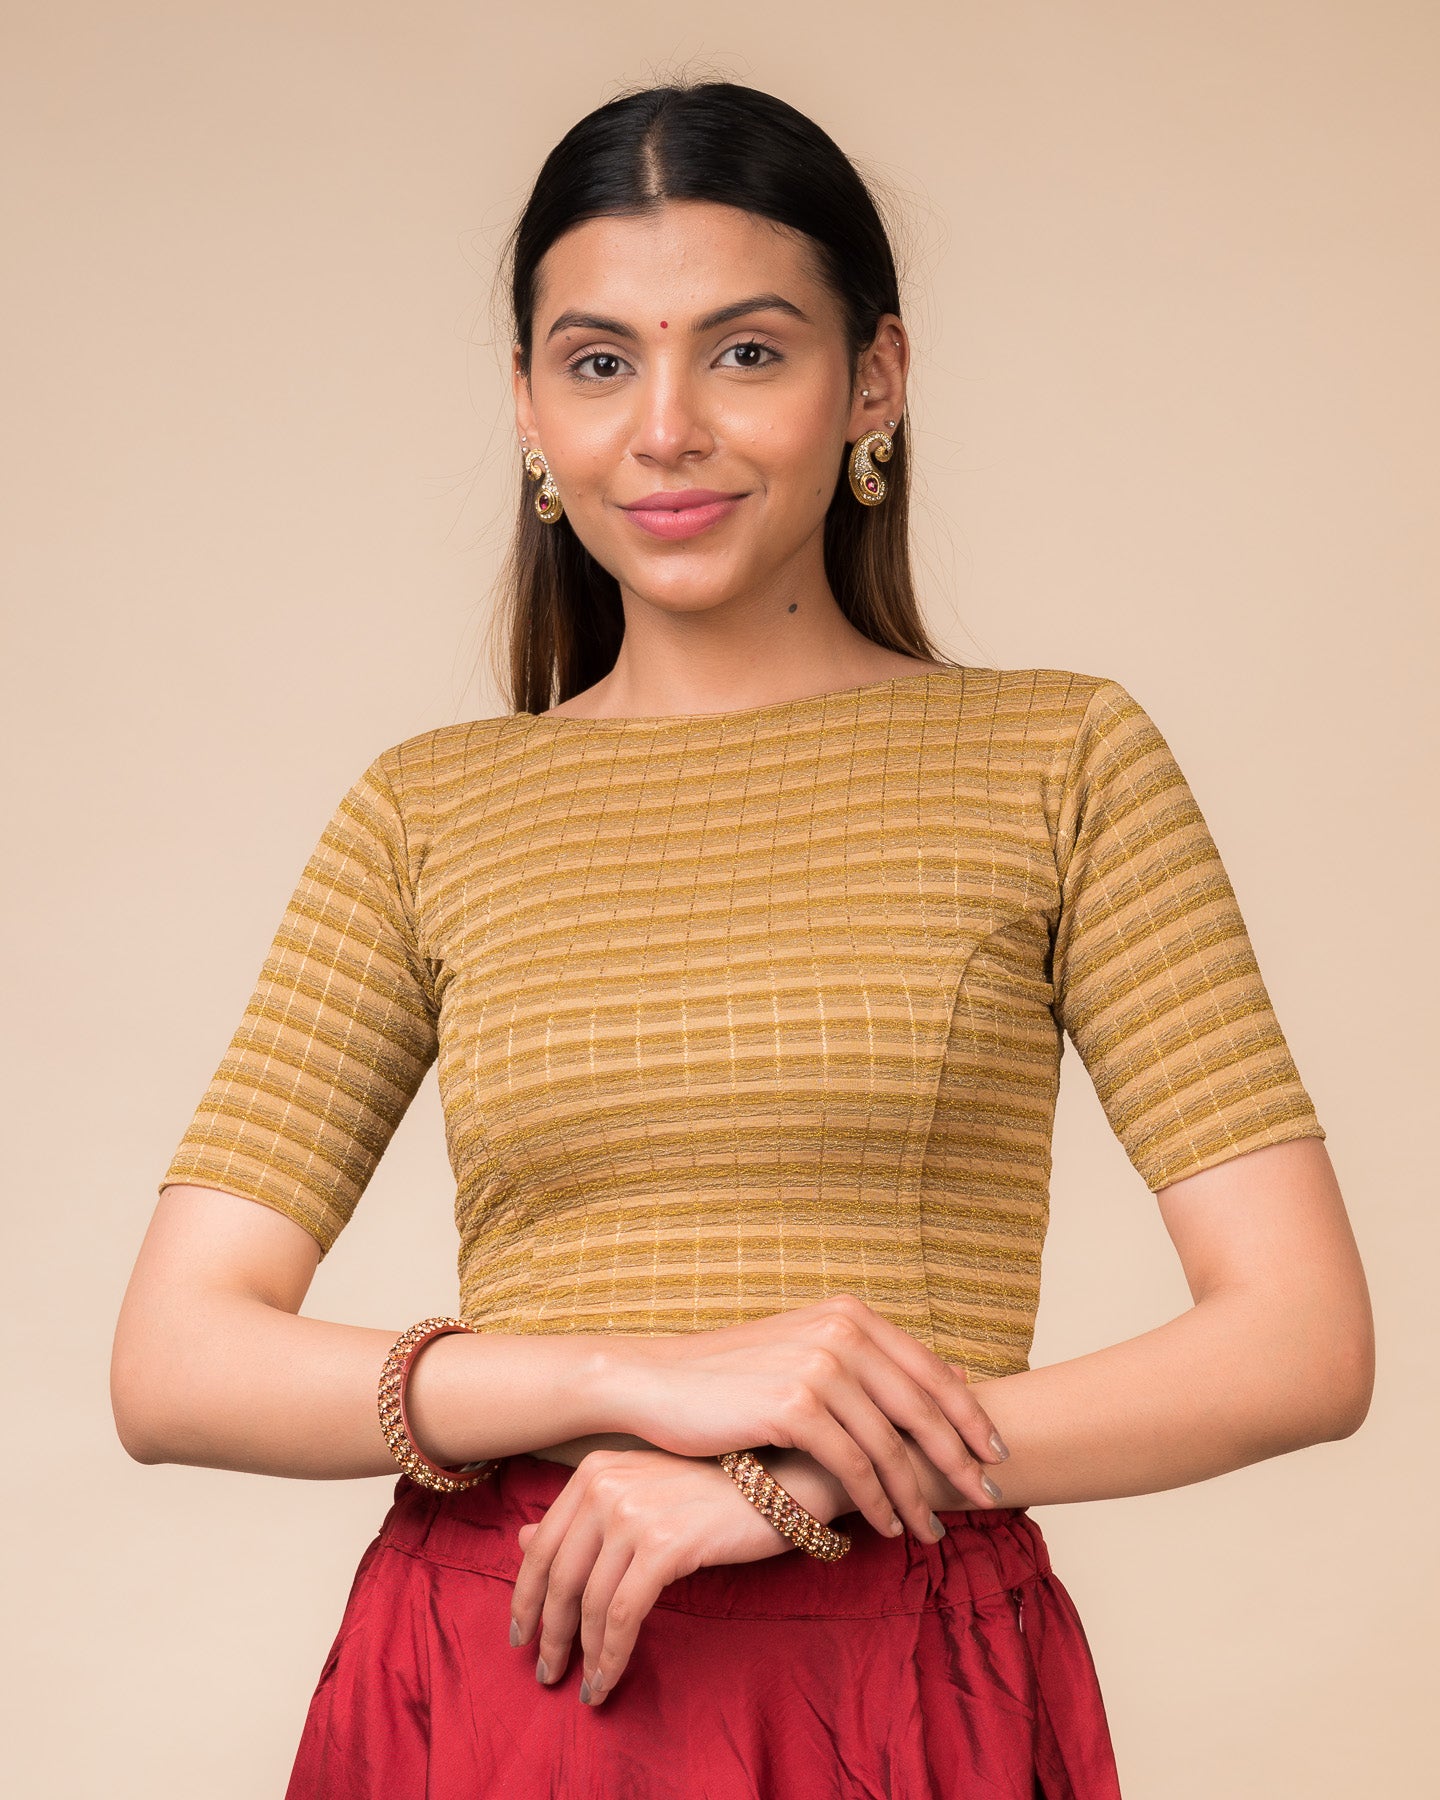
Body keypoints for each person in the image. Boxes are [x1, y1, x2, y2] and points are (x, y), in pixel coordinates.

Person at [111, 79, 1374, 1800]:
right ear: (530, 410)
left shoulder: (1062, 758)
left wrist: (802, 1480)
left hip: (885, 1669)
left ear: (877, 381)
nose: (668, 428)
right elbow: (176, 1362)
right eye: (602, 360)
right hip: (499, 1672)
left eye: (749, 352)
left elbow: (1300, 1337)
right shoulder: (428, 810)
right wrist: (638, 1377)